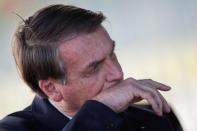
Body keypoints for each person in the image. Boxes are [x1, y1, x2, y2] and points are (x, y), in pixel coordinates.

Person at [0, 4, 183, 131]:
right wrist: (100, 111)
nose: (117, 74)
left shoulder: (155, 117)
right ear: (52, 88)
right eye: (93, 69)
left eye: (112, 54)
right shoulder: (12, 128)